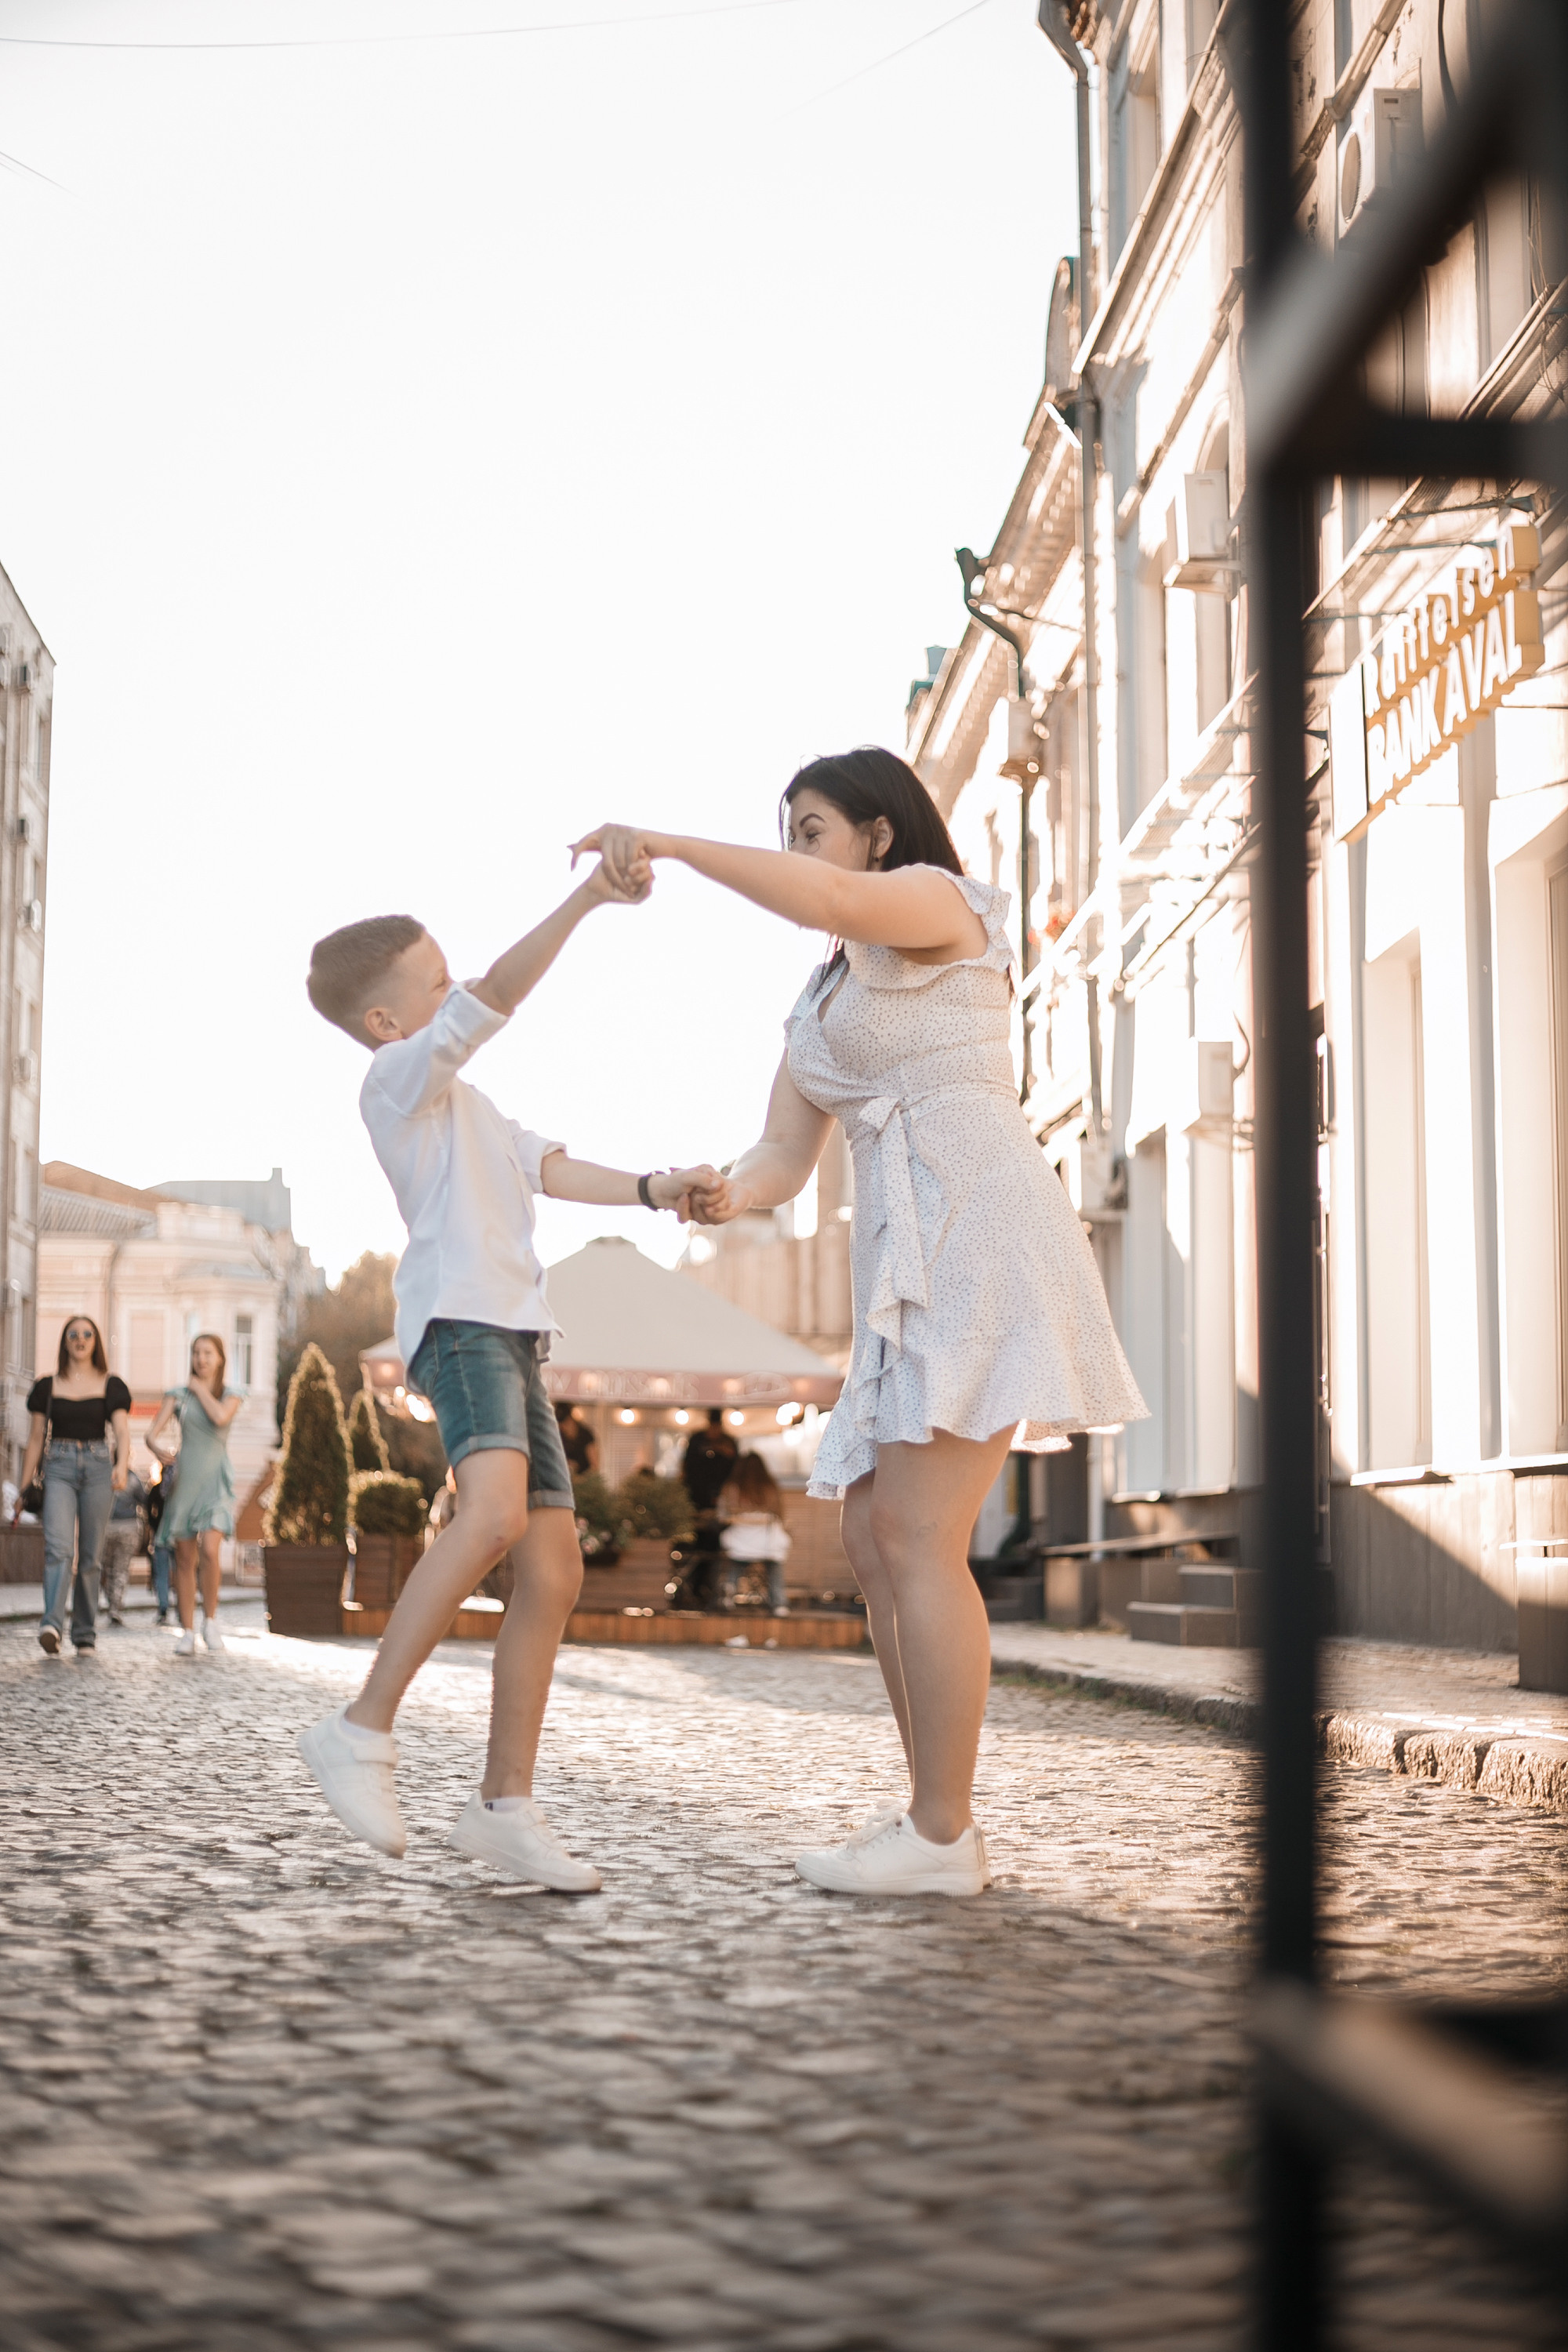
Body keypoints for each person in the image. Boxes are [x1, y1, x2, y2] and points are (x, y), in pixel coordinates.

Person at [577, 750, 1145, 1897]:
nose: (797, 853)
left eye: (812, 828)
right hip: (903, 1255)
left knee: (918, 1534)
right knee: (879, 1534)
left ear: (878, 834)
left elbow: (831, 900)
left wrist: (672, 844)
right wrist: (724, 1190)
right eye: (786, 833)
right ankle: (932, 1817)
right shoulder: (821, 999)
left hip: (976, 1223)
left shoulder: (937, 903)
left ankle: (942, 1834)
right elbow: (784, 1155)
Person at [294, 869, 724, 1889]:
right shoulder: (395, 1080)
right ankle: (360, 1727)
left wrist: (659, 1188)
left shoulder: (471, 1108)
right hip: (462, 1325)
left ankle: (503, 1807)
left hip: (518, 1338)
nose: (456, 991)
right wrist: (584, 901)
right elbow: (493, 999)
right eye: (436, 983)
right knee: (489, 1518)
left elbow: (552, 1168)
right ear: (387, 1020)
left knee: (556, 1570)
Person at [23, 1316, 132, 1657]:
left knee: (90, 1556)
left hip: (99, 1468)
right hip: (58, 1466)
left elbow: (122, 1431)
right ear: (65, 1342)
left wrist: (122, 1466)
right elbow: (35, 1438)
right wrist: (24, 1487)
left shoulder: (111, 1385)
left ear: (96, 1341)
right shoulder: (48, 1386)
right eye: (73, 1334)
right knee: (59, 1549)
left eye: (87, 1334)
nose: (80, 1339)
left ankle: (84, 1634)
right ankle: (52, 1626)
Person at [146, 1337, 242, 1657]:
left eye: (208, 1353)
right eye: (196, 1353)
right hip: (186, 1483)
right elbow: (151, 1433)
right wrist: (157, 1449)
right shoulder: (178, 1395)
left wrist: (199, 1388)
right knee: (185, 1559)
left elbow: (220, 1418)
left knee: (211, 1551)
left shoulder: (231, 1395)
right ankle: (187, 1631)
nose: (201, 1359)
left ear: (220, 1359)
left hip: (216, 1483)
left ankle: (210, 1622)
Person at [677, 1408, 739, 1610]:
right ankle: (693, 1589)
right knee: (695, 1549)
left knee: (713, 1551)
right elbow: (686, 1468)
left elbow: (735, 1471)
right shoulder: (696, 1440)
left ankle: (708, 1590)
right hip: (694, 1503)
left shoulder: (729, 1442)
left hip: (719, 1506)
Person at [718, 1451, 792, 1615]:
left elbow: (723, 1515)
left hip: (740, 1544)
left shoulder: (732, 1488)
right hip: (767, 1545)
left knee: (736, 1564)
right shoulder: (770, 1488)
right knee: (774, 1567)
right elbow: (780, 1515)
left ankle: (729, 1592)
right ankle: (779, 1602)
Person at [100, 1470, 149, 1627]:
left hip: (106, 1526)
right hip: (128, 1526)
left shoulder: (102, 1475)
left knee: (106, 1568)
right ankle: (115, 1607)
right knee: (121, 1569)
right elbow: (145, 1501)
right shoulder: (132, 1478)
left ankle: (111, 1603)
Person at [146, 1462, 174, 1625]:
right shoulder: (178, 1491)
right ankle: (181, 1609)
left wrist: (155, 1526)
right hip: (178, 1536)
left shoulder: (157, 1490)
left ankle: (164, 1608)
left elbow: (149, 1512)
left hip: (161, 1535)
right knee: (180, 1572)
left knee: (162, 1573)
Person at [553, 1401, 597, 1479]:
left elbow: (594, 1465)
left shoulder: (586, 1435)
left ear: (571, 1419)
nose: (563, 1427)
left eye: (565, 1423)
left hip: (584, 1481)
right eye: (560, 1424)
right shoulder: (558, 1436)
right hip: (562, 1479)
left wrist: (582, 1478)